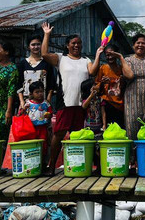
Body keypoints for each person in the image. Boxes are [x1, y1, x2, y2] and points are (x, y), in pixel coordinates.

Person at [40, 22, 100, 175]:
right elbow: (44, 54)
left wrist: (99, 54)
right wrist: (47, 34)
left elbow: (93, 71)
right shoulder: (61, 58)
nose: (77, 45)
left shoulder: (86, 60)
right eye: (73, 43)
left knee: (77, 136)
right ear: (67, 45)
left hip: (81, 105)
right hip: (65, 103)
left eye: (79, 43)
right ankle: (52, 165)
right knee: (59, 134)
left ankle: (76, 166)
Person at [17, 35, 56, 113]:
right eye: (33, 45)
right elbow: (18, 84)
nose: (36, 47)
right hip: (26, 103)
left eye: (38, 44)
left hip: (43, 103)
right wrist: (22, 102)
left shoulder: (47, 63)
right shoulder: (23, 63)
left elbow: (51, 83)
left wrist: (48, 100)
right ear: (28, 46)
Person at [95, 45, 125, 129]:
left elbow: (125, 85)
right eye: (107, 55)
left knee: (119, 129)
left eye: (112, 54)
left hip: (120, 104)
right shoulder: (103, 68)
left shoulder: (121, 68)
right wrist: (102, 82)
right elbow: (96, 87)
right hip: (107, 104)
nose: (110, 57)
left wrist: (119, 80)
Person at [25, 81, 52, 157]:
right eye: (37, 92)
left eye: (41, 91)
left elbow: (50, 112)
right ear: (31, 93)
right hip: (31, 128)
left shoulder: (46, 103)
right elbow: (22, 114)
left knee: (43, 145)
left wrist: (49, 114)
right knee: (33, 145)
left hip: (43, 128)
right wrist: (23, 109)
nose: (40, 94)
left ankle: (43, 161)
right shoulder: (28, 104)